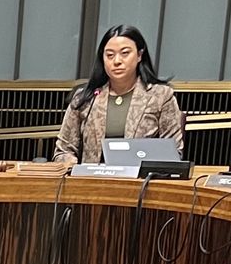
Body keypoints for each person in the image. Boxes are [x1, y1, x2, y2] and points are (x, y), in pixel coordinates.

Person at [54, 25, 182, 165]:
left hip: (141, 182)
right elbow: (63, 150)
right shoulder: (86, 98)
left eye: (125, 53)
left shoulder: (160, 96)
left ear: (139, 55)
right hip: (92, 181)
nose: (117, 61)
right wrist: (71, 164)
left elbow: (173, 152)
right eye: (110, 55)